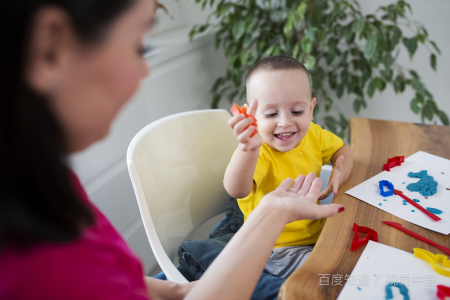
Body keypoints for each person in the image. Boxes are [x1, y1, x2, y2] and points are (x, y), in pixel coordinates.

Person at [0, 0, 345, 299]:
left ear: (311, 107)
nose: (144, 70)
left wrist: (180, 291)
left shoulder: (49, 182)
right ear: (50, 49)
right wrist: (272, 213)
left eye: (297, 110)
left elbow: (118, 274)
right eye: (140, 47)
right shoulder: (35, 270)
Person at [224, 55, 353, 279]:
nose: (285, 122)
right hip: (276, 249)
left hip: (320, 235)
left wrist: (339, 173)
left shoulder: (313, 134)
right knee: (335, 279)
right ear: (251, 114)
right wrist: (248, 150)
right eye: (272, 113)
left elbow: (342, 150)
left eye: (296, 112)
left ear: (311, 109)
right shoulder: (258, 151)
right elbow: (236, 189)